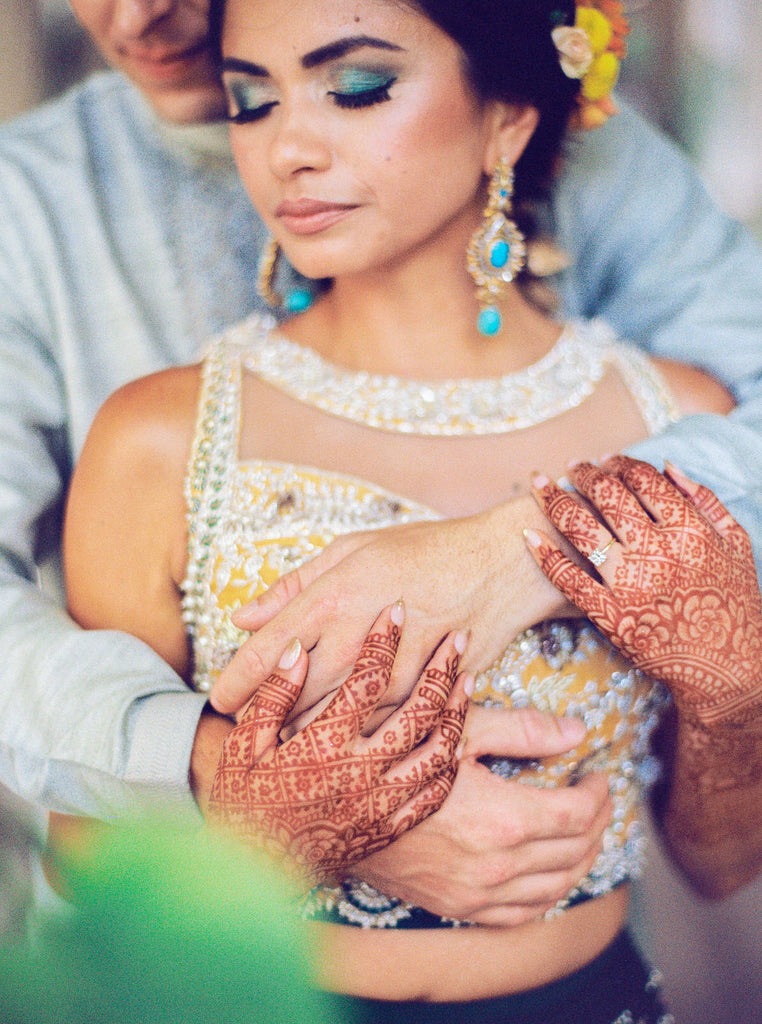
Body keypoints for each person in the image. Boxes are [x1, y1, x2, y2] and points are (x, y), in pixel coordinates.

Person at [60, 0, 757, 1017]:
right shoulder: (159, 438)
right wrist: (290, 830)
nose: (289, 147)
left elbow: (724, 864)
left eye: (354, 87)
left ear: (508, 117)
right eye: (251, 102)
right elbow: (86, 853)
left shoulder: (679, 418)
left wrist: (734, 691)